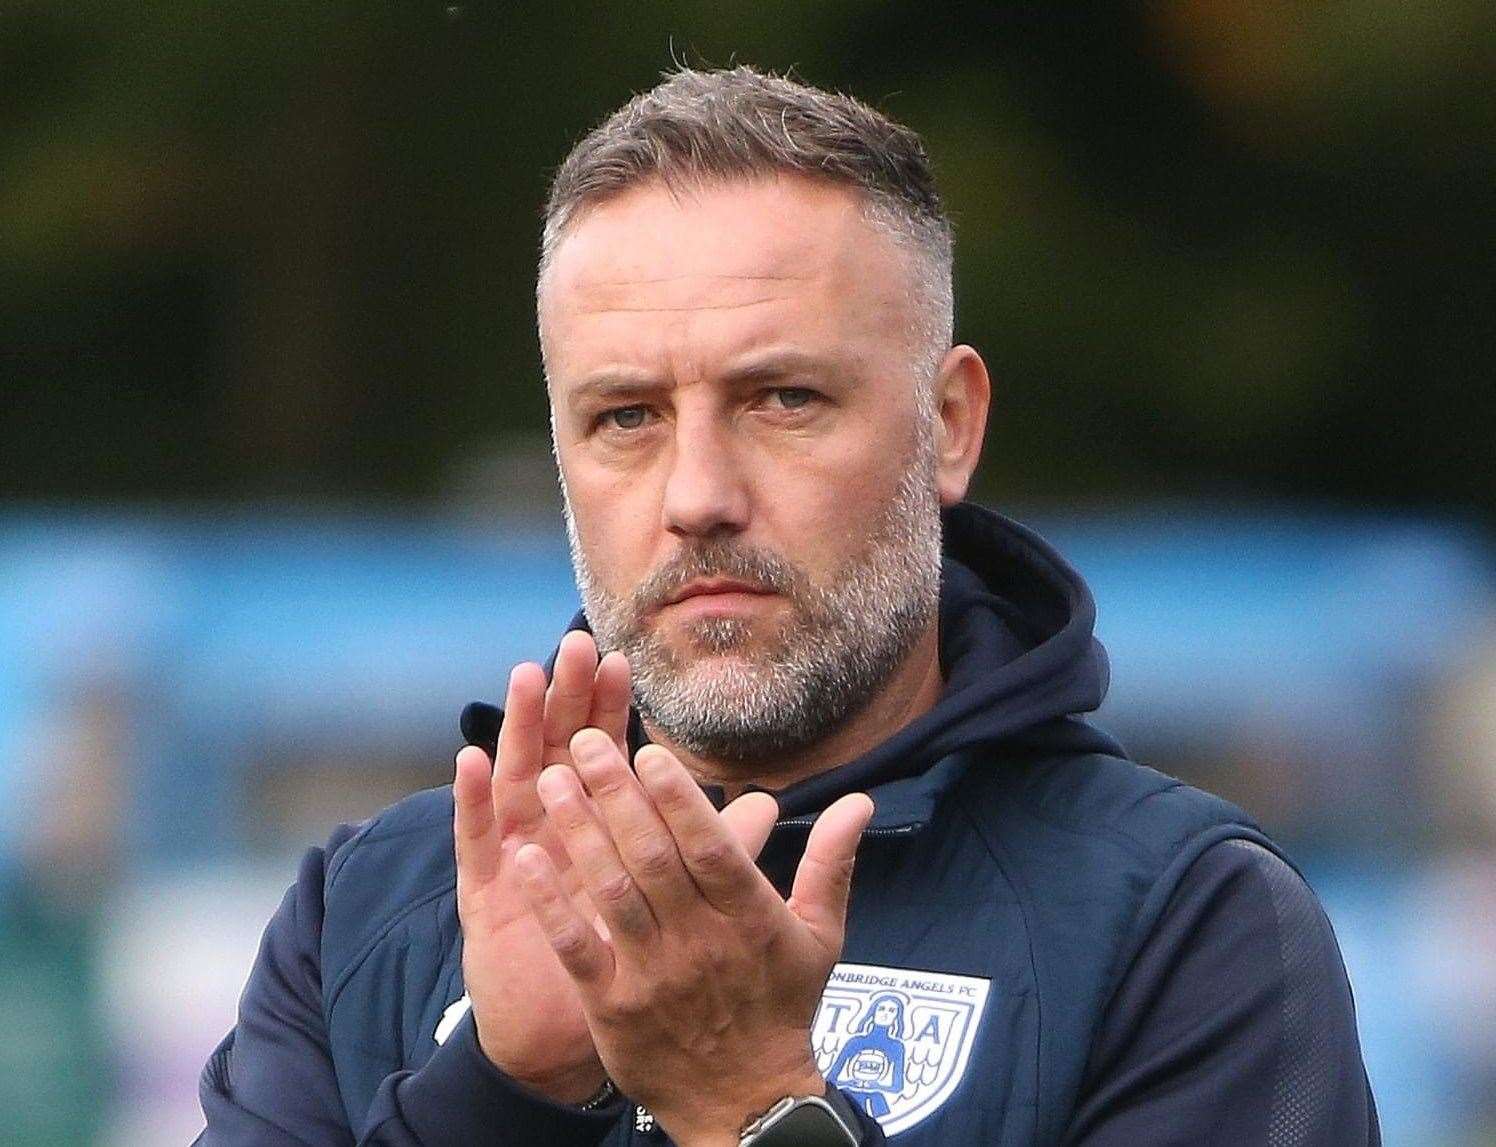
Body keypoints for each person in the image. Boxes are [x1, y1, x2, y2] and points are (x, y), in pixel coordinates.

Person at [194, 66, 1379, 1146]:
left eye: (783, 398)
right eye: (625, 418)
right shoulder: (373, 909)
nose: (697, 496)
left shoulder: (1181, 925)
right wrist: (502, 1096)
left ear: (947, 425)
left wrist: (750, 1105)